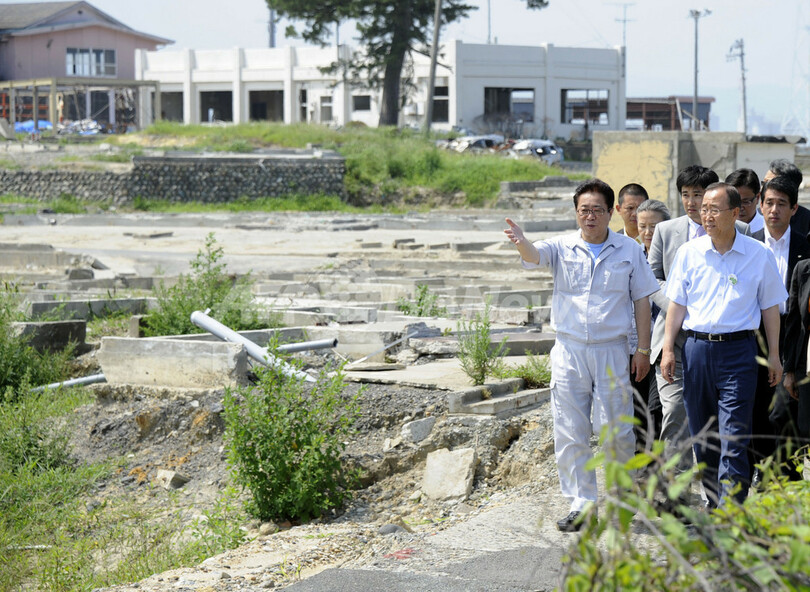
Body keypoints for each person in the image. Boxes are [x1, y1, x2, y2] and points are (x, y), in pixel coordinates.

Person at [504, 178, 659, 532]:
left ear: (611, 212)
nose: (590, 217)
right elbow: (534, 256)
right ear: (577, 213)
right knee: (570, 429)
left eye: (597, 210)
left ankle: (621, 501)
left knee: (616, 431)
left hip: (612, 350)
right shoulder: (562, 246)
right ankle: (582, 502)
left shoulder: (628, 250)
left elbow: (641, 302)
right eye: (583, 210)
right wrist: (522, 242)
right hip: (570, 350)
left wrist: (643, 349)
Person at [661, 182, 786, 506]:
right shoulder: (690, 253)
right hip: (697, 351)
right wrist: (667, 348)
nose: (707, 216)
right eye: (704, 209)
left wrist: (774, 355)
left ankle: (732, 507)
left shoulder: (758, 255)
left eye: (714, 209)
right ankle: (714, 500)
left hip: (739, 353)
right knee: (703, 436)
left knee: (733, 433)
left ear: (735, 213)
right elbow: (677, 306)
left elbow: (770, 308)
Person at [753, 175, 810, 482]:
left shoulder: (805, 247)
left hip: (791, 333)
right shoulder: (745, 243)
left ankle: (789, 474)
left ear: (794, 209)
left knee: (783, 411)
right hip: (752, 334)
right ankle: (761, 474)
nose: (774, 210)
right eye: (769, 203)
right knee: (756, 409)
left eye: (781, 204)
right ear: (760, 206)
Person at [633, 199, 671, 448]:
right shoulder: (631, 255)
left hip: (660, 346)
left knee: (657, 408)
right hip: (633, 345)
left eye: (654, 227)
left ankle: (656, 468)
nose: (648, 233)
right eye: (642, 226)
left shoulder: (672, 261)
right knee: (637, 407)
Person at [762, 159, 810, 239]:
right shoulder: (753, 218)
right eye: (763, 183)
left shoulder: (806, 220)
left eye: (768, 183)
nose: (762, 188)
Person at [726, 168, 763, 234]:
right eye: (734, 201)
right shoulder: (720, 229)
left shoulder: (768, 230)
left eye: (745, 202)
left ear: (757, 198)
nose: (739, 208)